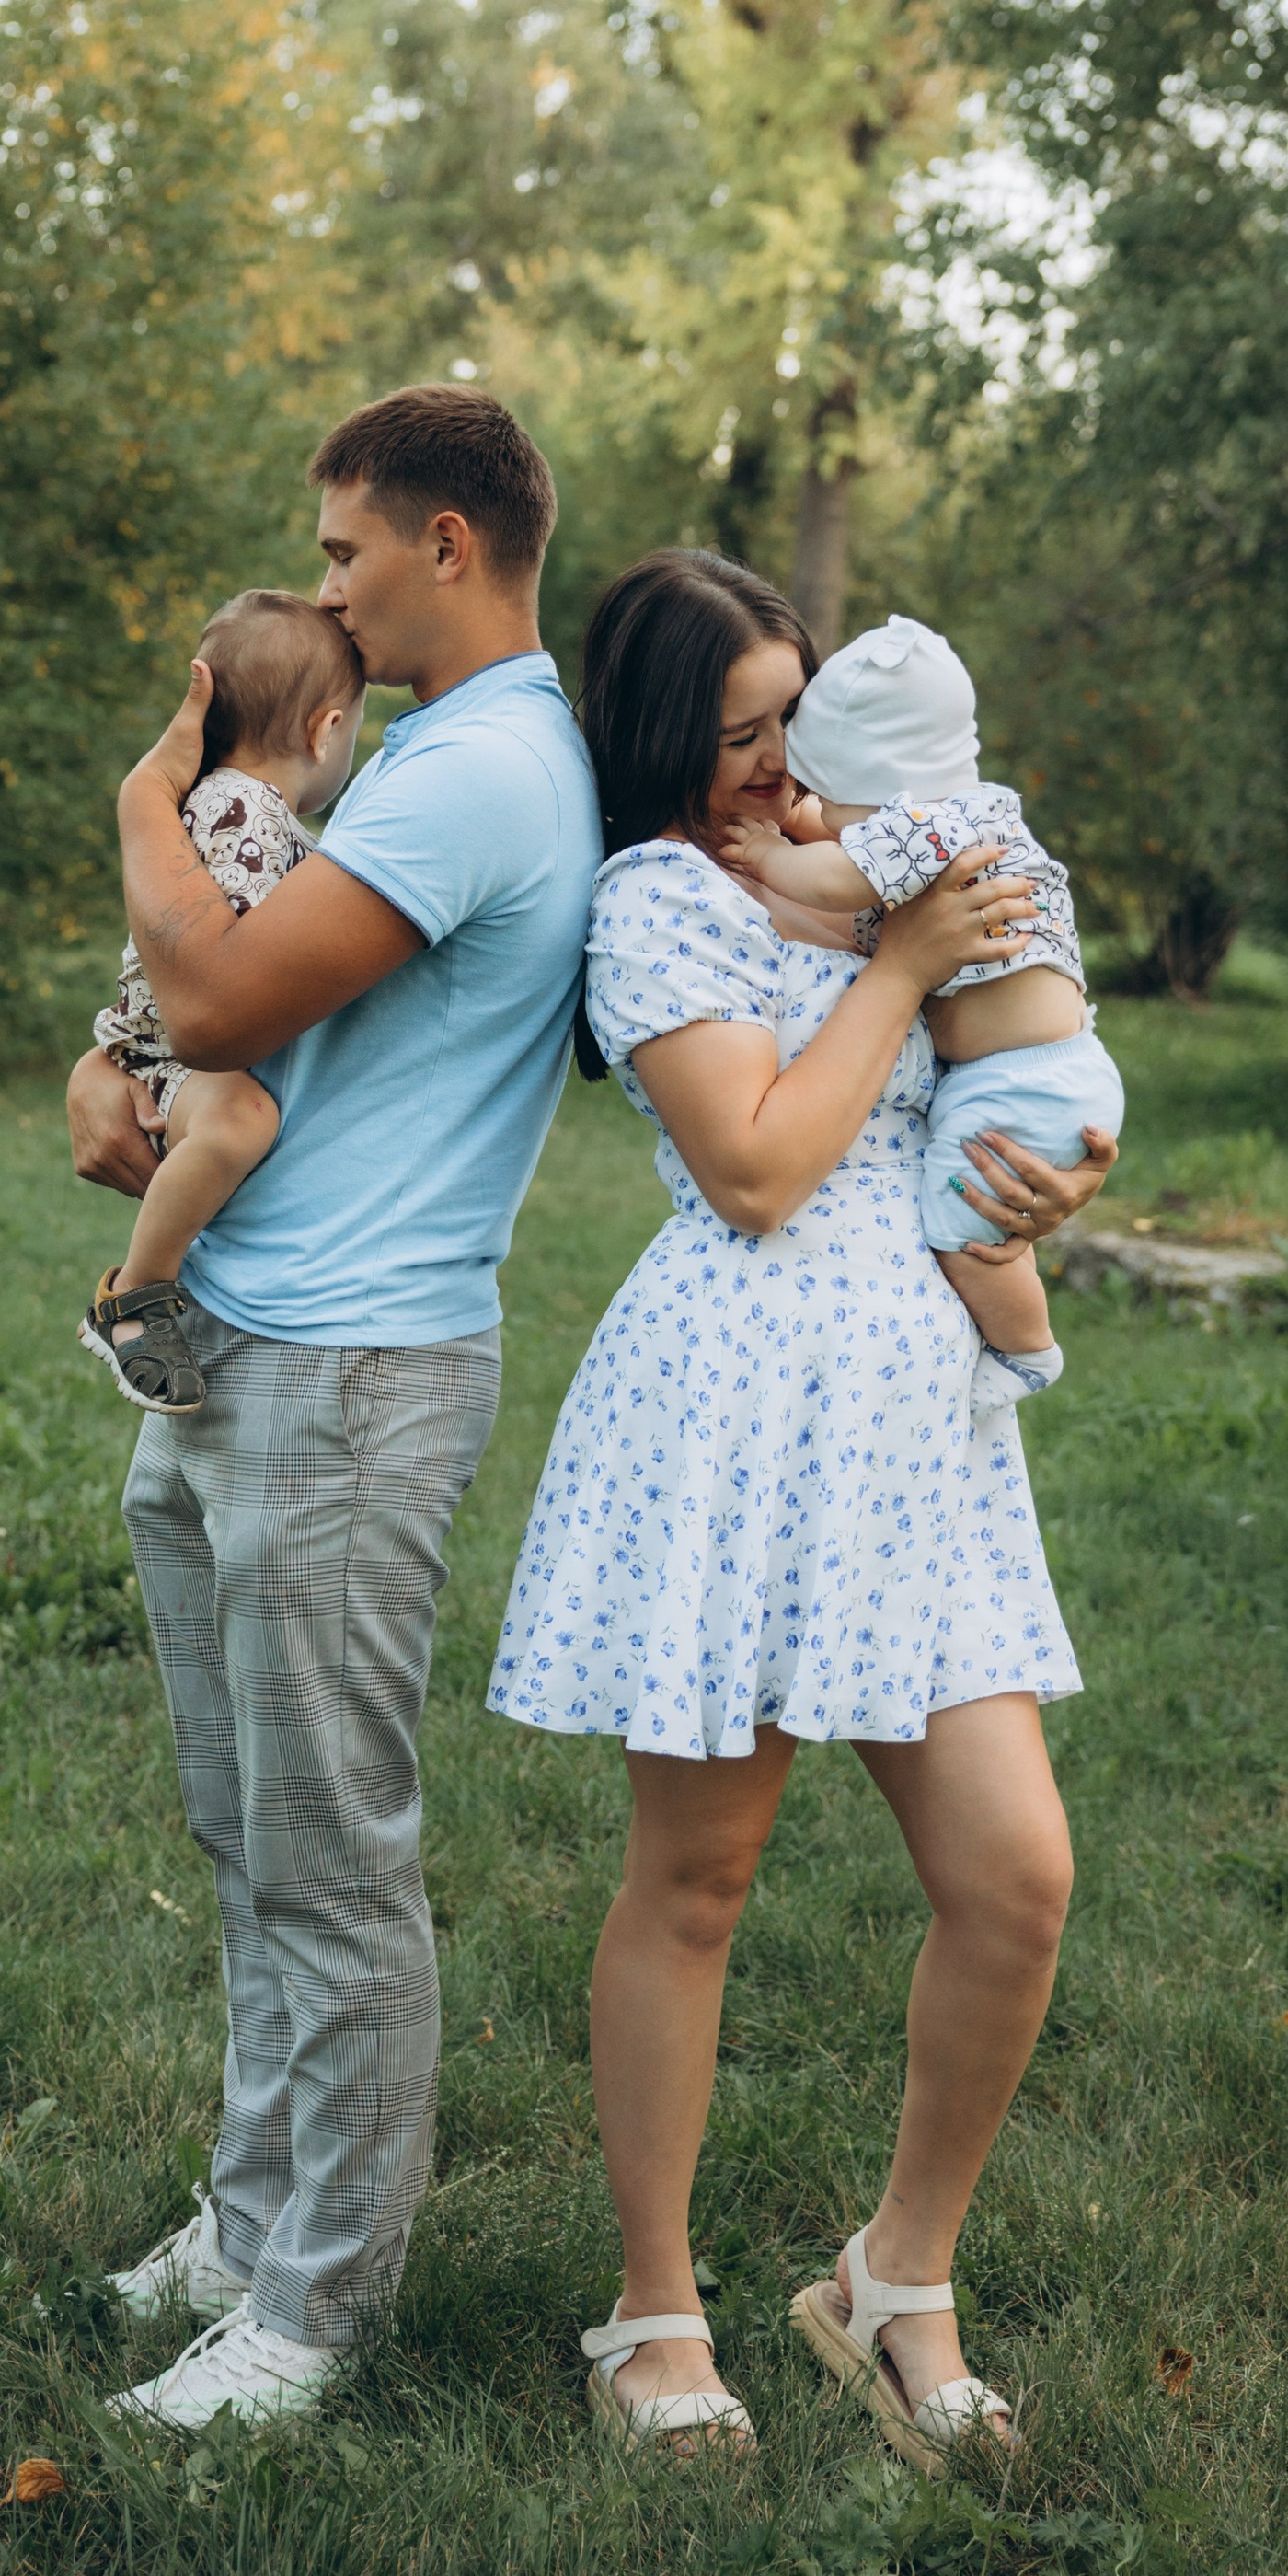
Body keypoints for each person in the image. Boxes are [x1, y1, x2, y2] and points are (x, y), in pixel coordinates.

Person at [488, 550, 1117, 2464]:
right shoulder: (658, 899)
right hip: (742, 1411)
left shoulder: (878, 858)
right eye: (737, 732)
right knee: (697, 1881)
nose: (777, 765)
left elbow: (1003, 1058)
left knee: (1015, 1881)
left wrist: (1047, 1162)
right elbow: (755, 1167)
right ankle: (652, 2313)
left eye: (795, 717)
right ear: (661, 741)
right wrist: (903, 965)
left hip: (917, 1430)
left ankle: (892, 2282)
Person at [65, 387, 603, 2436]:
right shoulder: (414, 759)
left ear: (447, 543)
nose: (327, 588)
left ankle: (316, 2310)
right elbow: (207, 1009)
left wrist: (147, 791)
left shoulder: (487, 770)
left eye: (345, 550)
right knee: (248, 1840)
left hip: (353, 1376)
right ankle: (250, 2222)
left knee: (328, 1861)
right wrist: (102, 1072)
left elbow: (215, 991)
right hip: (236, 1341)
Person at [722, 611, 1128, 1420]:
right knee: (980, 1216)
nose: (809, 806)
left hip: (1017, 1082)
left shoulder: (924, 833)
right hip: (1049, 1069)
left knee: (964, 1233)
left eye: (829, 796)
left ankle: (1024, 1349)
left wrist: (767, 855)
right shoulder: (965, 814)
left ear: (881, 798)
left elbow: (836, 876)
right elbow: (840, 838)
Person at [77, 589, 363, 1415]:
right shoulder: (241, 812)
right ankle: (133, 1300)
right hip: (171, 1048)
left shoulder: (238, 807)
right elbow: (227, 963)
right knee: (240, 1121)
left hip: (173, 1043)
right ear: (325, 731)